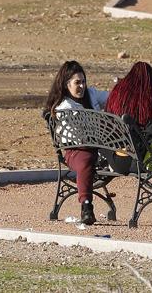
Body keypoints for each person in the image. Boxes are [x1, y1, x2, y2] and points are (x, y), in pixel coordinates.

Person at [44, 60, 109, 226]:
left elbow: (111, 97)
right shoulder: (64, 107)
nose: (81, 86)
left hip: (101, 147)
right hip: (75, 150)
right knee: (86, 159)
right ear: (67, 85)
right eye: (77, 82)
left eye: (83, 81)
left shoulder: (91, 94)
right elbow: (81, 136)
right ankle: (86, 207)